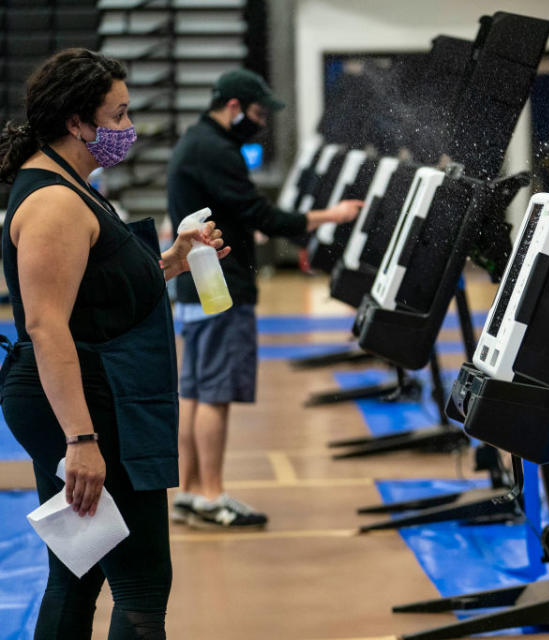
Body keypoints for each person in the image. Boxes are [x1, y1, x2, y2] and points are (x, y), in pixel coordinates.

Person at [0, 49, 229, 639]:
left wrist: (174, 263)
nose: (128, 131)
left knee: (76, 575)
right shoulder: (54, 202)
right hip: (89, 403)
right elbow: (47, 326)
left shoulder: (73, 186)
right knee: (143, 585)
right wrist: (82, 440)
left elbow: (97, 293)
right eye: (119, 115)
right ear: (78, 122)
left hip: (88, 394)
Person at [167, 69, 362, 529]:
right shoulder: (217, 149)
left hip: (197, 284)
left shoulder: (196, 141)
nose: (261, 122)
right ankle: (212, 497)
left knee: (195, 390)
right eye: (256, 113)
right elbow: (262, 215)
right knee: (214, 392)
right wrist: (331, 215)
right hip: (220, 285)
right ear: (233, 106)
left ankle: (192, 492)